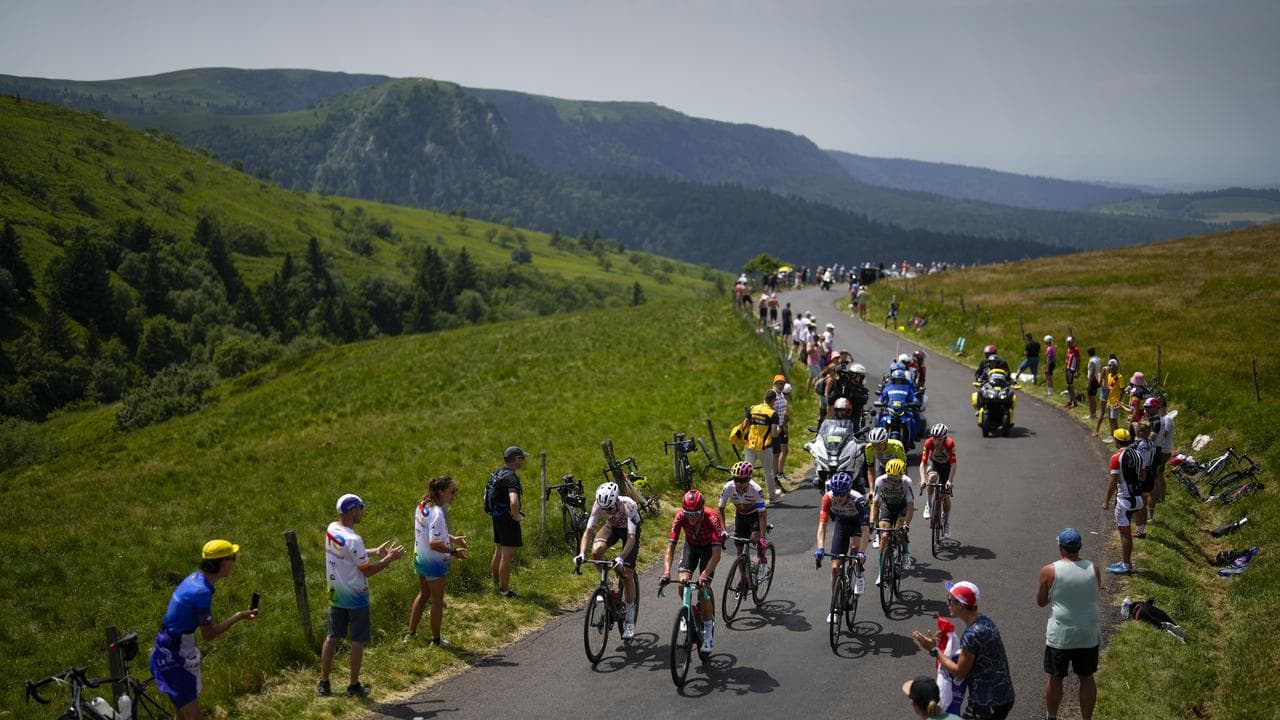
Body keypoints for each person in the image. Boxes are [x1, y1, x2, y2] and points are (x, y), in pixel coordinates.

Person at [151, 540, 258, 719]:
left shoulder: (195, 578)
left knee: (182, 715)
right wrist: (239, 616)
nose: (234, 562)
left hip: (169, 648)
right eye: (233, 557)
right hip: (173, 656)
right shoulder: (202, 592)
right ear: (223, 563)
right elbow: (209, 634)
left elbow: (181, 621)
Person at [319, 494, 405, 698]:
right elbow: (368, 571)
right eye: (360, 508)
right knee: (357, 641)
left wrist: (374, 551)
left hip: (335, 594)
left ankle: (324, 683)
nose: (362, 513)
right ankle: (353, 686)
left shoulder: (332, 529)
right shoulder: (354, 539)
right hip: (356, 597)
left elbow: (348, 553)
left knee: (332, 636)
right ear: (352, 511)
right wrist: (389, 559)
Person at [913, 581, 1016, 720]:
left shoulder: (972, 634)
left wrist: (934, 650)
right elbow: (969, 657)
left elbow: (960, 672)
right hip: (1002, 696)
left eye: (950, 600)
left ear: (960, 605)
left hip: (987, 703)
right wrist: (945, 643)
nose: (947, 604)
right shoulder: (984, 621)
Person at [1037, 528, 1102, 720]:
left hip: (1061, 634)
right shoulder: (1093, 568)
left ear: (1060, 547)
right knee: (1087, 677)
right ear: (1080, 547)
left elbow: (1041, 601)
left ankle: (1051, 716)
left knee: (1055, 677)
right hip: (1088, 632)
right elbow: (1095, 591)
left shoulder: (1049, 571)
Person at [660, 489, 727, 653]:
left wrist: (704, 575)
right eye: (688, 514)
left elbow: (716, 555)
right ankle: (688, 612)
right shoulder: (680, 517)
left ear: (702, 510)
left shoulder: (712, 518)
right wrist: (666, 572)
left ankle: (708, 632)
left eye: (695, 514)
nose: (691, 518)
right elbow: (670, 547)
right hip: (691, 547)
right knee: (682, 584)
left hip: (709, 550)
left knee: (703, 589)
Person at [576, 481, 642, 638]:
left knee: (626, 574)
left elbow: (631, 538)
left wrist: (621, 558)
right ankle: (607, 582)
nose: (607, 511)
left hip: (630, 531)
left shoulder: (629, 505)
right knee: (596, 552)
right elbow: (588, 531)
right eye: (605, 509)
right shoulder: (598, 505)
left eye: (610, 508)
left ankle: (630, 622)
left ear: (616, 500)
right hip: (612, 527)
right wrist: (581, 553)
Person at [410, 476, 468, 645]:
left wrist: (453, 538)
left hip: (420, 557)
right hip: (433, 562)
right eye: (452, 491)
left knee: (423, 594)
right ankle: (436, 640)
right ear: (441, 492)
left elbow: (432, 531)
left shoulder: (423, 505)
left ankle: (411, 633)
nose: (454, 495)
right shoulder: (437, 513)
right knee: (437, 601)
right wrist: (453, 552)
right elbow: (435, 543)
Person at [812, 471, 868, 620]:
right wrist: (820, 548)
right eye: (836, 493)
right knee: (835, 567)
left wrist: (862, 552)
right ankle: (836, 606)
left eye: (842, 494)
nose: (838, 497)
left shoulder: (858, 500)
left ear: (848, 491)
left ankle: (859, 571)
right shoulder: (828, 498)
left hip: (857, 525)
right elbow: (822, 526)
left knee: (855, 549)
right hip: (841, 524)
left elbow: (865, 530)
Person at [719, 461, 770, 585]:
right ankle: (743, 578)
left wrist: (762, 537)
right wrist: (723, 530)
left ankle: (762, 560)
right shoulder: (728, 487)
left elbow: (762, 514)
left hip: (755, 516)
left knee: (754, 540)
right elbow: (720, 509)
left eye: (742, 480)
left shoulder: (756, 489)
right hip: (740, 516)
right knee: (739, 550)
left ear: (749, 479)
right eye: (736, 479)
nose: (739, 483)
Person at [1101, 429, 1143, 574]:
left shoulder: (1116, 458)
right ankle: (1125, 561)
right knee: (1126, 532)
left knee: (1125, 533)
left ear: (1116, 441)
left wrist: (1106, 501)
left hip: (1124, 500)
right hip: (1137, 497)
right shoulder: (1138, 454)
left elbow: (1113, 482)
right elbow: (1142, 475)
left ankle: (1126, 565)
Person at [487, 446, 527, 598]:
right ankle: (505, 591)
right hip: (508, 519)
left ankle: (496, 586)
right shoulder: (511, 478)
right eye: (521, 458)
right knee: (507, 556)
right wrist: (515, 516)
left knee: (498, 550)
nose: (523, 461)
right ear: (515, 459)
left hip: (497, 516)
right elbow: (514, 501)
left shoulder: (498, 472)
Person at [870, 458, 915, 579]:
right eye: (891, 478)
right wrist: (872, 522)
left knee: (899, 531)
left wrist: (906, 524)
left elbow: (910, 506)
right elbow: (875, 504)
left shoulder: (907, 482)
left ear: (902, 475)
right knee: (884, 537)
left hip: (901, 507)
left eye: (897, 479)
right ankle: (881, 572)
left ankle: (905, 553)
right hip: (887, 506)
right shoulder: (880, 480)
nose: (894, 482)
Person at [741, 390, 781, 501]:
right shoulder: (772, 413)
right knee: (768, 471)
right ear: (772, 401)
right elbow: (774, 433)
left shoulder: (753, 408)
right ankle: (772, 496)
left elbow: (744, 424)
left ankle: (745, 495)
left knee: (747, 471)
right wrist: (779, 429)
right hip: (764, 447)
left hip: (750, 444)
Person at [920, 423, 957, 538]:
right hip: (934, 464)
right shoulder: (928, 443)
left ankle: (946, 522)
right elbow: (923, 463)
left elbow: (953, 464)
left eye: (939, 439)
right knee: (932, 477)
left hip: (946, 467)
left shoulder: (949, 444)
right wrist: (923, 480)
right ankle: (928, 504)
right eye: (934, 438)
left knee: (945, 496)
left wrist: (950, 481)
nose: (936, 442)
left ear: (944, 438)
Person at [1148, 396, 1174, 518]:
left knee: (1158, 474)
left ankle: (1160, 496)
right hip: (1162, 449)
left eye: (1158, 406)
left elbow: (1164, 435)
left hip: (1164, 450)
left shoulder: (1167, 419)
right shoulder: (1161, 418)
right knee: (1159, 473)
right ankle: (1159, 496)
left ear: (1162, 407)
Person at [1092, 358, 1123, 438]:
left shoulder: (1105, 369)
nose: (1110, 367)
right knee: (1110, 416)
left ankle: (1097, 431)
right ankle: (1112, 434)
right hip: (1110, 391)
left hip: (1106, 391)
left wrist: (1099, 376)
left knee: (1103, 413)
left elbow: (1099, 383)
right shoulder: (1116, 372)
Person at [773, 382, 793, 481]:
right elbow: (785, 415)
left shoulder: (781, 399)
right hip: (781, 428)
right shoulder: (784, 401)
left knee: (780, 451)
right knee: (783, 451)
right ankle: (779, 473)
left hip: (779, 427)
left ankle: (778, 473)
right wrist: (785, 427)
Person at [1085, 347, 1103, 421]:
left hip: (1092, 380)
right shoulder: (1098, 359)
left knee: (1090, 398)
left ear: (1088, 353)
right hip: (1096, 379)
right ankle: (1093, 414)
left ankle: (1091, 414)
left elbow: (1092, 372)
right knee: (1093, 397)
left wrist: (1089, 383)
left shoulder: (1092, 361)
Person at [1063, 337, 1081, 408]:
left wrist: (1077, 371)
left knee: (1070, 386)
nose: (1068, 344)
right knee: (1068, 386)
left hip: (1072, 369)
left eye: (1069, 343)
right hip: (1068, 368)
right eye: (1067, 343)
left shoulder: (1075, 350)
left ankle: (1074, 402)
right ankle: (1070, 401)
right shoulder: (1069, 349)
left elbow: (1078, 361)